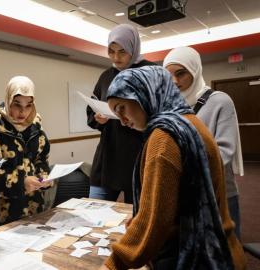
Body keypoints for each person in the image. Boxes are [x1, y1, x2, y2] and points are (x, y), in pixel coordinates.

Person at [100, 66, 246, 269]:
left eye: (121, 108)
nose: (122, 121)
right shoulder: (189, 122)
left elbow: (156, 220)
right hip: (219, 249)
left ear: (145, 94)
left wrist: (114, 263)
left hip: (195, 260)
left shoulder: (164, 138)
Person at [163, 46, 244, 239]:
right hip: (186, 192)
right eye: (169, 76)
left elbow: (224, 151)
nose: (174, 81)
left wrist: (183, 165)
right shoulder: (170, 105)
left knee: (226, 250)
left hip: (218, 191)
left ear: (195, 70)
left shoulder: (219, 101)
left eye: (181, 74)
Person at [86, 24, 156, 203]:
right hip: (108, 156)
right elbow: (91, 108)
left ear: (133, 48)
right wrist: (98, 119)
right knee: (96, 214)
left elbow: (163, 111)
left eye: (122, 51)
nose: (116, 57)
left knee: (137, 220)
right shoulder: (106, 76)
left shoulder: (151, 72)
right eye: (111, 51)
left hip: (139, 154)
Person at [0, 76, 51, 228]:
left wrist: (43, 177)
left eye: (29, 105)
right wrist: (22, 183)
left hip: (33, 205)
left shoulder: (36, 127)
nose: (23, 112)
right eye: (17, 105)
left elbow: (41, 160)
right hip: (2, 211)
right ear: (8, 100)